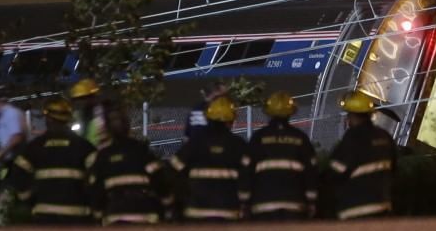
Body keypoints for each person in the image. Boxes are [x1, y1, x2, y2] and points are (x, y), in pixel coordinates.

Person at [10, 98, 96, 224]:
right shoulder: (84, 147)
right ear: (68, 119)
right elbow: (97, 178)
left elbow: (18, 176)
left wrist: (29, 199)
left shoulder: (34, 147)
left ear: (48, 119)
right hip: (78, 217)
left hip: (45, 217)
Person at [169, 96, 249, 221]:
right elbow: (247, 178)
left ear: (208, 118)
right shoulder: (238, 145)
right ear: (231, 120)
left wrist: (179, 200)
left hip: (196, 212)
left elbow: (173, 169)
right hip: (228, 212)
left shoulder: (196, 142)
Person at [90, 105, 173, 225]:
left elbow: (97, 190)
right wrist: (168, 206)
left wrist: (97, 216)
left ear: (107, 129)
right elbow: (159, 180)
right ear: (127, 125)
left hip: (115, 215)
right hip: (144, 213)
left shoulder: (103, 156)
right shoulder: (142, 150)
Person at [247, 91, 318, 220]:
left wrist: (244, 202)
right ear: (291, 112)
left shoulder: (258, 138)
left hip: (263, 205)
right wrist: (312, 201)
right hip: (295, 204)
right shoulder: (300, 138)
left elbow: (247, 172)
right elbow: (311, 172)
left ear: (268, 112)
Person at [328, 91, 396, 220]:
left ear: (352, 115)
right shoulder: (384, 137)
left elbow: (333, 174)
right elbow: (393, 170)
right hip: (383, 209)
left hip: (355, 211)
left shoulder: (352, 138)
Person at [70, 79, 108, 148]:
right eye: (77, 99)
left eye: (83, 98)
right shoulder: (75, 116)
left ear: (93, 97)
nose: (79, 102)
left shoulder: (105, 115)